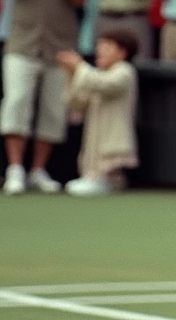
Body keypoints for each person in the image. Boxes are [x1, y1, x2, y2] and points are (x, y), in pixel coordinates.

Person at [0, 0, 91, 195]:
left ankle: (38, 170)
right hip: (23, 40)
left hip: (60, 43)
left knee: (53, 110)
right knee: (17, 102)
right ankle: (15, 169)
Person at [55, 29, 139, 196]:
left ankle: (108, 180)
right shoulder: (97, 73)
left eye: (108, 45)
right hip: (94, 137)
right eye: (100, 45)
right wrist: (70, 73)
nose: (100, 49)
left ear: (122, 52)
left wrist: (78, 66)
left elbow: (101, 83)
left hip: (113, 136)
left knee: (108, 168)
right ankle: (101, 179)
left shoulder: (125, 72)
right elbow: (77, 102)